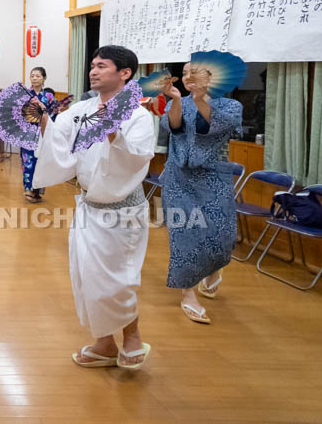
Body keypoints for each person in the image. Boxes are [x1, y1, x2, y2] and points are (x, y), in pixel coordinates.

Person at [33, 46, 155, 371]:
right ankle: (104, 343)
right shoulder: (84, 109)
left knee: (119, 279)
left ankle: (132, 336)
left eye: (102, 66)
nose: (93, 71)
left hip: (121, 209)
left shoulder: (139, 115)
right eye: (92, 65)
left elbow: (136, 158)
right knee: (87, 276)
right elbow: (59, 141)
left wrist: (114, 133)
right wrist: (41, 118)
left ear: (124, 73)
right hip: (88, 205)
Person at [161, 62, 243, 324]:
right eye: (185, 73)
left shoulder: (230, 105)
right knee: (184, 236)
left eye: (194, 72)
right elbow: (173, 127)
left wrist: (199, 100)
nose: (187, 77)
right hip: (178, 177)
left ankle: (213, 268)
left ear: (212, 76)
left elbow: (213, 126)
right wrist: (176, 100)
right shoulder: (178, 102)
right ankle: (188, 293)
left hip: (213, 178)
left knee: (223, 236)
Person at [22, 67, 56, 203]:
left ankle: (38, 191)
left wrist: (41, 105)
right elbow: (18, 113)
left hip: (44, 131)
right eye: (32, 76)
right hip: (28, 133)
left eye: (38, 76)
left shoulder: (49, 96)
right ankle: (28, 189)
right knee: (28, 161)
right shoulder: (25, 95)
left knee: (42, 161)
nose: (34, 78)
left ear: (44, 78)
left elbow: (54, 113)